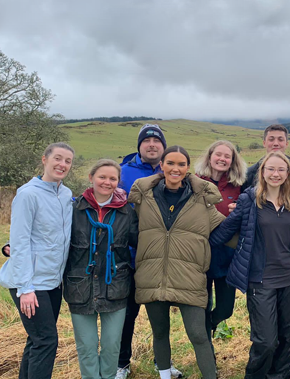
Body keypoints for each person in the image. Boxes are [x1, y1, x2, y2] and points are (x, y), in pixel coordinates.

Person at [129, 146, 226, 379]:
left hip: (189, 278)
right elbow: (128, 230)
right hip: (152, 275)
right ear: (161, 165)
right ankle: (164, 375)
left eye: (181, 164)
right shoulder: (144, 198)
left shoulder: (202, 201)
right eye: (170, 163)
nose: (175, 168)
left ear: (187, 168)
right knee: (160, 332)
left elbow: (228, 233)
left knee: (199, 334)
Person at [210, 151, 290, 379]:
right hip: (260, 280)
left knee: (285, 338)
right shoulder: (249, 200)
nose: (276, 174)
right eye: (271, 169)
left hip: (289, 280)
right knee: (265, 341)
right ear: (262, 172)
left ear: (288, 174)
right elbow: (222, 233)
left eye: (281, 169)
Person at [0, 142, 75, 379]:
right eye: (58, 158)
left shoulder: (66, 194)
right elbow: (19, 242)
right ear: (45, 159)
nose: (62, 164)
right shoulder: (27, 194)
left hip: (53, 283)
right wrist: (26, 288)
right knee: (46, 342)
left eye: (68, 161)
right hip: (31, 283)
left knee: (36, 341)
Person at [115, 124, 183, 379]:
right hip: (130, 257)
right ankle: (121, 364)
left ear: (164, 148)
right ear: (139, 146)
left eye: (157, 141)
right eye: (147, 141)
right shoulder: (123, 172)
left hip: (161, 259)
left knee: (160, 317)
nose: (152, 145)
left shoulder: (173, 171)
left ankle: (162, 363)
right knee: (127, 315)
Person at [241, 123, 290, 372]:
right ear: (264, 142)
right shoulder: (251, 173)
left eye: (281, 139)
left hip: (288, 270)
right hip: (260, 270)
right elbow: (241, 211)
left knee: (287, 326)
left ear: (286, 143)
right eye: (272, 139)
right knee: (266, 335)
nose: (276, 143)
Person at [64, 159, 138, 379]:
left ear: (118, 182)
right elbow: (50, 235)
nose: (107, 182)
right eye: (102, 177)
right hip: (80, 287)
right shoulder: (74, 208)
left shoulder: (127, 211)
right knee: (86, 347)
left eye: (112, 178)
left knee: (111, 345)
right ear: (91, 178)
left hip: (116, 285)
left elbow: (142, 241)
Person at [194, 140, 247, 346]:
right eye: (219, 154)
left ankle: (210, 323)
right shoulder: (195, 183)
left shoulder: (238, 187)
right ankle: (208, 357)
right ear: (210, 156)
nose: (222, 159)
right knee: (203, 306)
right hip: (201, 254)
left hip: (227, 255)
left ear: (233, 161)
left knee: (226, 309)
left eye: (228, 156)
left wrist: (239, 212)